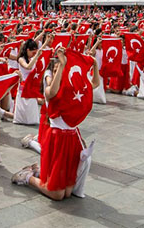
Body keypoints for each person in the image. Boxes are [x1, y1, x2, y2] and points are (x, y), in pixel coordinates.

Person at [11, 47, 100, 201]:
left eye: (63, 66)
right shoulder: (49, 83)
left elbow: (94, 84)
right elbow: (52, 92)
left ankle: (39, 172)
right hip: (58, 138)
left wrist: (95, 65)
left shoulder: (70, 86)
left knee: (67, 191)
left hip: (72, 137)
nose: (62, 67)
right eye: (57, 66)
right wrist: (61, 66)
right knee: (57, 194)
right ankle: (27, 177)